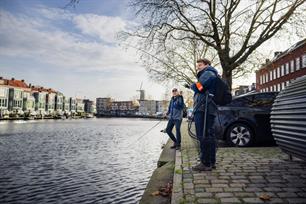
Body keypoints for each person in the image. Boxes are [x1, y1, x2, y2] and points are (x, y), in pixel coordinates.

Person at [188, 58, 218, 171]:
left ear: (207, 65)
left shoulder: (208, 73)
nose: (198, 67)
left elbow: (199, 87)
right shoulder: (210, 73)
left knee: (203, 135)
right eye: (197, 65)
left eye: (200, 65)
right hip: (207, 108)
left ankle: (205, 163)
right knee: (209, 135)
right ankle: (211, 161)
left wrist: (193, 85)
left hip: (203, 109)